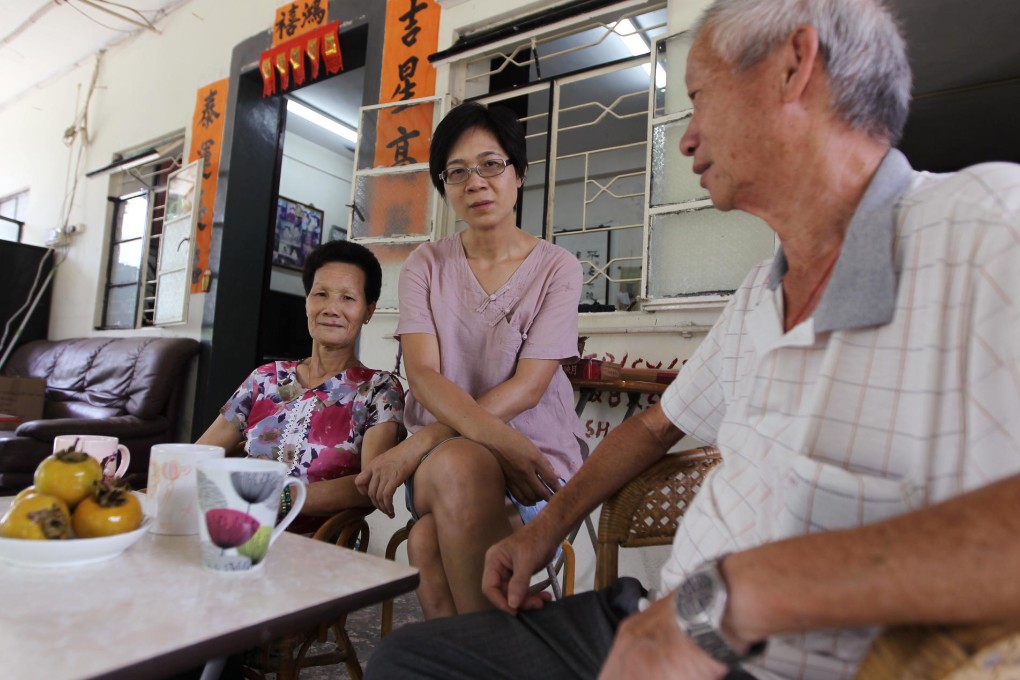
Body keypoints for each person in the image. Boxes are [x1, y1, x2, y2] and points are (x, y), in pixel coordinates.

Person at [365, 0, 1020, 678]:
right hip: (658, 613)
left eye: (700, 98)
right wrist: (543, 528)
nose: (685, 137)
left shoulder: (987, 226)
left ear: (795, 67)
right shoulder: (761, 295)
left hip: (765, 656)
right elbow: (652, 430)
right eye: (459, 172)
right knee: (409, 660)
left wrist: (732, 602)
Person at [355, 102, 586, 618]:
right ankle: (503, 656)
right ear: (444, 185)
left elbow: (530, 387)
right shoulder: (425, 264)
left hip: (533, 461)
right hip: (447, 467)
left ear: (519, 172)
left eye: (491, 164)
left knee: (427, 542)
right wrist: (479, 440)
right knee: (462, 464)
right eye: (456, 172)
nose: (475, 183)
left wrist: (424, 441)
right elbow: (424, 375)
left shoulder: (558, 268)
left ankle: (464, 659)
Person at [198, 239, 404, 535]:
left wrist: (277, 497)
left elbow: (368, 485)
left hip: (315, 545)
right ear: (307, 300)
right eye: (321, 294)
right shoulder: (265, 379)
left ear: (368, 310)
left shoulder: (379, 389)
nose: (332, 308)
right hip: (234, 529)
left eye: (348, 298)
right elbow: (202, 454)